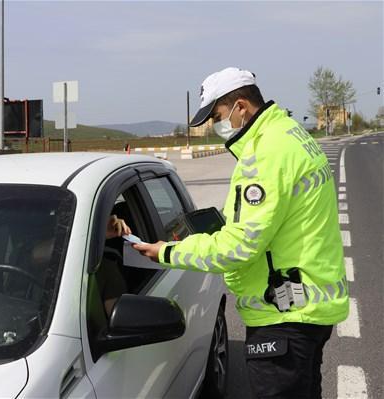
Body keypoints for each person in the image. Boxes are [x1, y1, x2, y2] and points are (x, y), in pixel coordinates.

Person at [133, 67, 349, 399]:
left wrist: (166, 252)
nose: (216, 126)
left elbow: (240, 246)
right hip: (310, 306)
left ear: (241, 107)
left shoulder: (265, 154)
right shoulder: (291, 133)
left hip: (284, 314)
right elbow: (270, 218)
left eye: (218, 116)